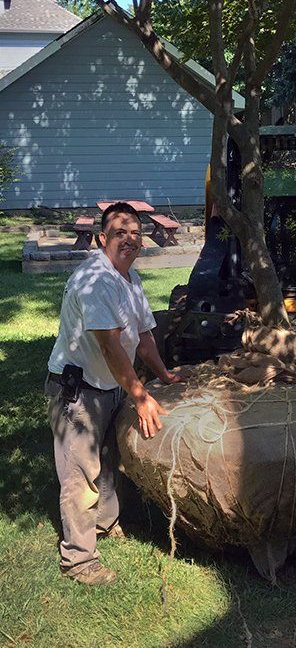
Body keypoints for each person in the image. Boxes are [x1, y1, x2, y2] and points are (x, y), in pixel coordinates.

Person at [45, 202, 184, 585]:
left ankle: (106, 524)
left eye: (135, 234)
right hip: (78, 390)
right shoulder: (95, 280)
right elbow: (110, 346)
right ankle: (78, 560)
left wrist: (164, 375)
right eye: (120, 233)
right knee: (80, 474)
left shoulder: (130, 278)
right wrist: (140, 396)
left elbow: (144, 337)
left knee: (108, 460)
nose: (129, 240)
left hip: (109, 385)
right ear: (101, 239)